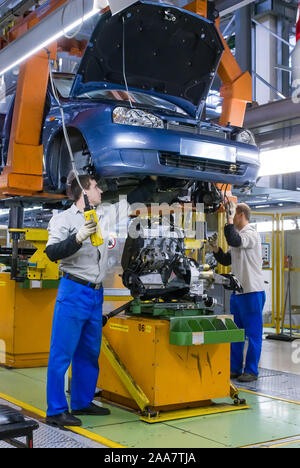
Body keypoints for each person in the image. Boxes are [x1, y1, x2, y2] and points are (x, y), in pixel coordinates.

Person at [45, 174, 157, 428]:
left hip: (95, 293)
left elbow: (131, 201)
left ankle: (83, 402)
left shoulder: (104, 214)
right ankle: (55, 410)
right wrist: (77, 237)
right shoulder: (63, 219)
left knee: (89, 351)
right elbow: (52, 253)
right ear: (84, 192)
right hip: (73, 290)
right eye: (95, 187)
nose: (100, 191)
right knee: (62, 353)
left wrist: (150, 180)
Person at [208, 202, 266, 383]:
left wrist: (228, 220)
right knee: (236, 333)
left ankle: (251, 371)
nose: (231, 217)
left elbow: (234, 240)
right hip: (239, 293)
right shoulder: (239, 236)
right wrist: (216, 248)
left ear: (240, 214)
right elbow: (226, 260)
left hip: (252, 292)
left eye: (233, 214)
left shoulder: (250, 234)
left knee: (253, 335)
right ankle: (234, 368)